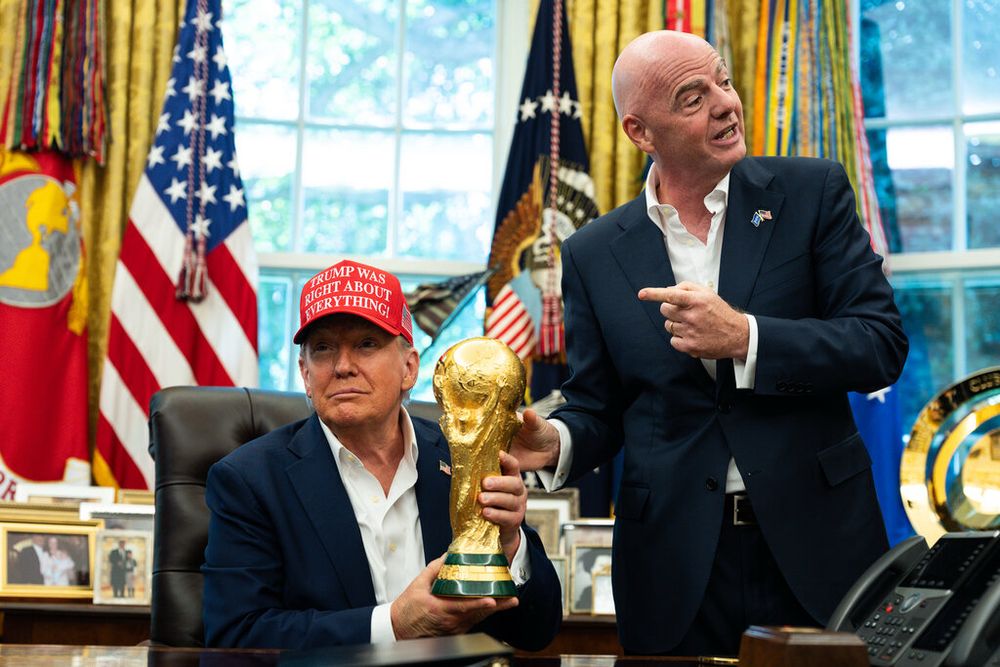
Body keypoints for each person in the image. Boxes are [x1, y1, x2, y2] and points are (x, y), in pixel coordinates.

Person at [510, 30, 909, 656]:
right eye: (694, 98)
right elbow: (600, 405)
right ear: (640, 132)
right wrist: (555, 441)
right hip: (673, 563)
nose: (726, 103)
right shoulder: (592, 252)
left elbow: (879, 342)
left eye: (723, 81)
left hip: (819, 544)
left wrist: (746, 338)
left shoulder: (812, 193)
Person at [202, 259, 562, 650]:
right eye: (323, 349)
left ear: (409, 368)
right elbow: (235, 638)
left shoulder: (464, 455)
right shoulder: (250, 480)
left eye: (366, 344)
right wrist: (393, 625)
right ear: (305, 374)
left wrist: (509, 545)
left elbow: (537, 632)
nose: (342, 366)